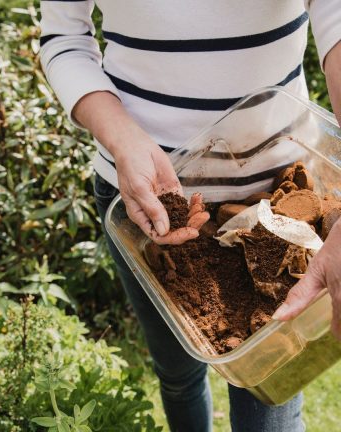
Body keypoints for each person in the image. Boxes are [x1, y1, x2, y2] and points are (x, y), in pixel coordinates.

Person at [39, 1, 341, 431]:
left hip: (281, 203)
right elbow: (63, 37)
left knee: (270, 398)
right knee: (178, 375)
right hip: (148, 205)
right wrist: (123, 139)